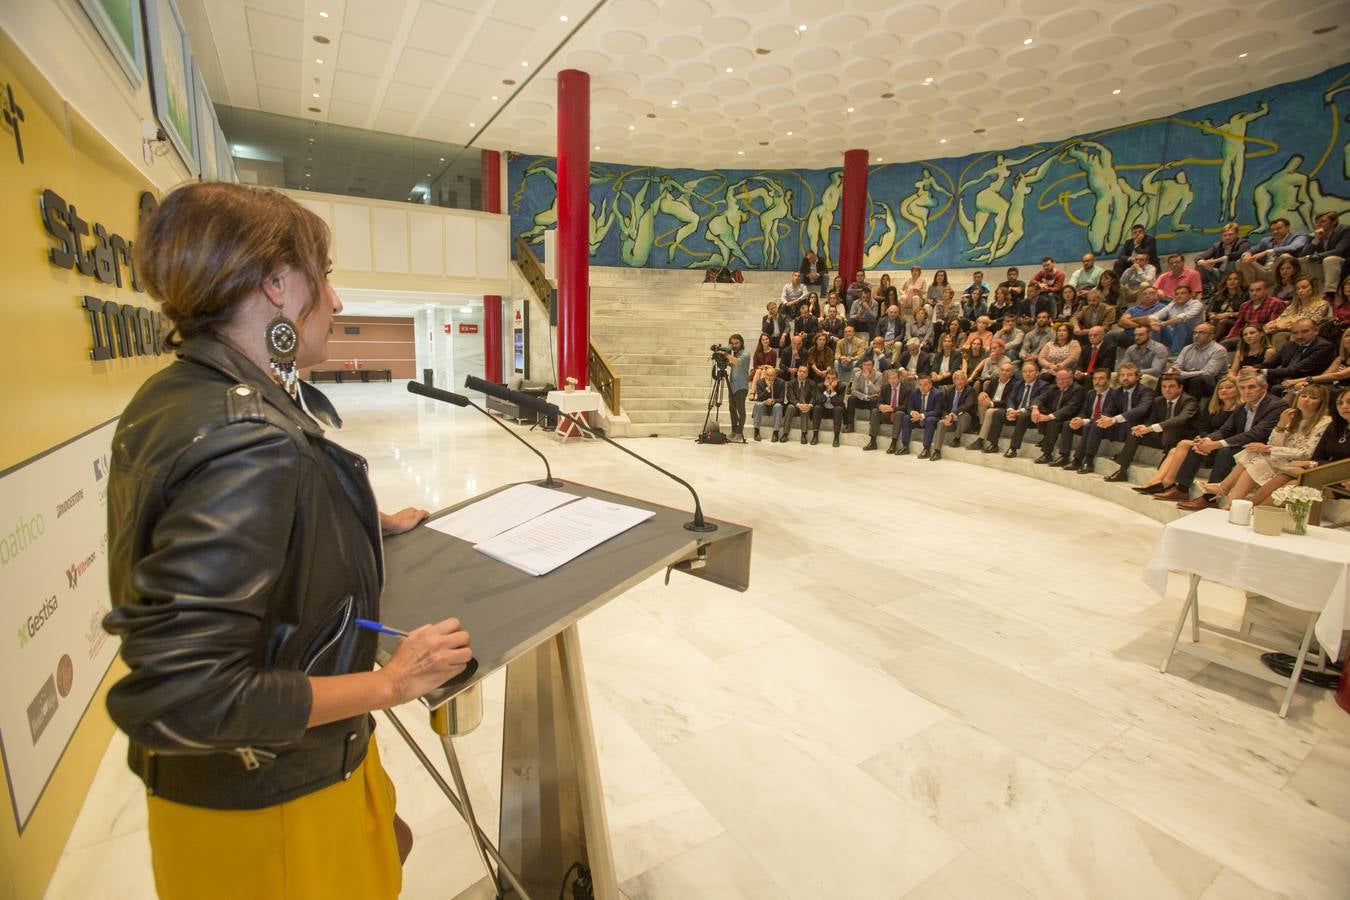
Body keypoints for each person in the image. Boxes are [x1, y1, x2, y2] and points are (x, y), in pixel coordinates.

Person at [102, 183, 473, 900]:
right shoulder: (247, 438)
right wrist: (391, 683)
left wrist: (355, 520)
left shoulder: (184, 391)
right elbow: (187, 695)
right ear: (276, 285)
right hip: (269, 812)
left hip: (260, 786)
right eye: (323, 275)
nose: (334, 301)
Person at [1151, 371, 1288, 505]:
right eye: (1243, 388)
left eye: (1251, 387)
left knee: (1225, 452)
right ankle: (1182, 490)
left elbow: (1256, 433)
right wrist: (1208, 440)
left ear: (1264, 388)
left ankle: (1209, 498)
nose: (1246, 391)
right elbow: (1226, 429)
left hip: (1260, 448)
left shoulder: (1276, 405)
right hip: (1239, 445)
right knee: (1196, 447)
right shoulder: (1242, 407)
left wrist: (1217, 444)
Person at [1196, 385, 1331, 509]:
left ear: (1321, 402)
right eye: (1303, 396)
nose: (1306, 400)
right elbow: (1276, 444)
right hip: (1284, 459)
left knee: (1256, 457)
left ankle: (1227, 494)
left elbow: (1306, 453)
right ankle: (1228, 501)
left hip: (1301, 464)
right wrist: (1281, 426)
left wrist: (1268, 449)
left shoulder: (1324, 422)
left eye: (1313, 398)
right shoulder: (1292, 417)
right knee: (1253, 452)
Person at [1132, 376, 1240, 493]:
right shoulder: (1214, 406)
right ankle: (1155, 481)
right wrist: (1204, 437)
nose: (1223, 390)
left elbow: (1230, 432)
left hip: (1222, 446)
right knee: (1174, 450)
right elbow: (1203, 426)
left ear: (1238, 389)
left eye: (1229, 387)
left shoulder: (1240, 409)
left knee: (1183, 443)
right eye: (1220, 388)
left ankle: (1168, 482)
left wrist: (1209, 441)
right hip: (1207, 441)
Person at [1249, 388, 1350, 506]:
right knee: (1285, 475)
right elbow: (1318, 456)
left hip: (1343, 481)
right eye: (1340, 403)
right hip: (1327, 474)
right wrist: (1310, 465)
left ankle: (1258, 513)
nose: (1344, 406)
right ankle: (1248, 508)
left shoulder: (1325, 422)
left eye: (1349, 402)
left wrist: (1311, 465)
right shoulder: (1335, 428)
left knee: (1294, 484)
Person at [1105, 372, 1199, 481]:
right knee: (1136, 433)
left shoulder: (1189, 401)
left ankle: (1162, 475)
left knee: (1172, 429)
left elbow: (1180, 419)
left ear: (1180, 388)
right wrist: (1143, 427)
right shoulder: (1158, 401)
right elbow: (1151, 421)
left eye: (1171, 386)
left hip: (1181, 438)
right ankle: (1122, 470)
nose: (1167, 390)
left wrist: (1150, 428)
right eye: (1164, 387)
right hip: (1162, 437)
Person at [1066, 363, 1154, 473]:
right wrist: (1105, 419)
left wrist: (1114, 419)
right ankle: (1085, 460)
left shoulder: (1145, 391)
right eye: (1122, 375)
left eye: (1129, 375)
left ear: (1137, 377)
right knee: (1094, 425)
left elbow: (1141, 409)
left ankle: (1120, 467)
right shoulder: (1117, 393)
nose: (1125, 378)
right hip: (1120, 428)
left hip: (1138, 426)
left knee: (1125, 424)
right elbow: (1109, 411)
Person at [986, 360, 1049, 457]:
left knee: (1022, 416)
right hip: (1015, 413)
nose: (1027, 374)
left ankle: (1013, 448)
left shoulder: (1043, 385)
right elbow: (1010, 399)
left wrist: (1018, 412)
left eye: (1031, 371)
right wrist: (1011, 410)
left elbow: (1038, 403)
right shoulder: (1018, 384)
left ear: (1037, 373)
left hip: (1030, 416)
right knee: (998, 413)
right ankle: (993, 444)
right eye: (1024, 371)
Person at [1028, 369, 1088, 466]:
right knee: (1039, 412)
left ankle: (1049, 454)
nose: (1060, 381)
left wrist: (1050, 417)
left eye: (1064, 379)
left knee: (1053, 422)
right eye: (1058, 379)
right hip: (1055, 415)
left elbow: (1071, 408)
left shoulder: (1078, 389)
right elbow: (1039, 398)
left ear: (1071, 378)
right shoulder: (1053, 388)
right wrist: (1035, 409)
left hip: (1069, 417)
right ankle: (1045, 438)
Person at [1261, 316, 1337, 390]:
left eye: (1305, 331)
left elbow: (1296, 370)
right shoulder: (1290, 345)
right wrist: (1252, 368)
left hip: (1309, 384)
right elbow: (1270, 364)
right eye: (1295, 333)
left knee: (1273, 387)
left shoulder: (1324, 346)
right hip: (1286, 381)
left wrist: (1261, 371)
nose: (1299, 336)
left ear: (1316, 331)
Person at [1237, 217, 1310, 286]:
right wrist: (1247, 254)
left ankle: (1281, 285)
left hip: (1280, 271)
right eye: (1272, 230)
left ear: (1287, 227)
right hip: (1264, 270)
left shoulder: (1299, 236)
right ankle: (1253, 288)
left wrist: (1268, 252)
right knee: (1240, 262)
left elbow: (1294, 247)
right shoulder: (1266, 241)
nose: (1275, 232)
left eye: (1279, 228)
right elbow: (1252, 250)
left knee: (1285, 256)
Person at [1263, 276, 1333, 346]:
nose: (1300, 291)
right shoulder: (1293, 306)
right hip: (1288, 331)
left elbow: (1310, 324)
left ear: (1313, 288)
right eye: (1298, 289)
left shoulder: (1321, 304)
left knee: (1280, 336)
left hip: (1307, 334)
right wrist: (1270, 326)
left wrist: (1281, 326)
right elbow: (1279, 320)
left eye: (1304, 287)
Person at [970, 359, 1019, 451]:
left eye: (1007, 370)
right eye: (1002, 370)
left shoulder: (1014, 384)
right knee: (981, 403)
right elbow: (987, 393)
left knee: (989, 411)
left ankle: (980, 440)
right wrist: (983, 394)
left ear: (1012, 373)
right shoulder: (994, 380)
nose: (1004, 372)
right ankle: (982, 427)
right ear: (999, 371)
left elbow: (1009, 401)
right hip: (991, 403)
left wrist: (992, 403)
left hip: (1003, 408)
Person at [1223, 278, 1285, 349]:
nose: (1254, 293)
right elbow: (1239, 324)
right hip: (1247, 334)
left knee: (1231, 343)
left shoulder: (1276, 303)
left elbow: (1273, 324)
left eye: (1258, 290)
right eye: (1251, 291)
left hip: (1264, 334)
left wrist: (1256, 333)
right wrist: (1230, 336)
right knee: (1224, 343)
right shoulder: (1244, 305)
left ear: (1266, 291)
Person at [1172, 322, 1229, 399]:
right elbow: (1177, 365)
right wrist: (1174, 372)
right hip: (1189, 378)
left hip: (1213, 382)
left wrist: (1182, 374)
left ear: (1211, 336)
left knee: (1197, 380)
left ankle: (1192, 409)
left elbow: (1209, 373)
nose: (1196, 336)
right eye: (1194, 333)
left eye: (1201, 333)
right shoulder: (1187, 348)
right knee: (1166, 378)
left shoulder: (1219, 350)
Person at [1281, 329, 1350, 392]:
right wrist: (1307, 383)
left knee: (1308, 390)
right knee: (1300, 387)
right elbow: (1327, 375)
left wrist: (1299, 380)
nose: (1349, 339)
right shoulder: (1341, 358)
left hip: (1346, 390)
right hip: (1336, 386)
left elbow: (1338, 375)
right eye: (1347, 336)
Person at [1196, 222, 1251, 294]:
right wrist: (1205, 263)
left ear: (1236, 234)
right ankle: (1207, 291)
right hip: (1220, 275)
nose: (1227, 237)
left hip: (1235, 276)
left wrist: (1215, 261)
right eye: (1224, 235)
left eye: (1230, 235)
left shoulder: (1244, 243)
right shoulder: (1218, 245)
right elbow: (1199, 257)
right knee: (1200, 265)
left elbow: (1238, 254)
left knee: (1231, 262)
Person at [932, 369, 976, 459]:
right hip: (951, 421)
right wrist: (946, 416)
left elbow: (967, 405)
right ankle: (937, 450)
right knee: (941, 423)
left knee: (963, 415)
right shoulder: (949, 391)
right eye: (957, 379)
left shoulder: (970, 391)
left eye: (962, 379)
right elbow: (944, 408)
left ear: (966, 381)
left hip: (965, 423)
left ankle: (957, 439)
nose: (960, 381)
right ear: (954, 381)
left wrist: (953, 414)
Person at [1303, 211, 1348, 296]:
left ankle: (1330, 294)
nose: (1318, 224)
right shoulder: (1314, 235)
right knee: (1304, 261)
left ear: (1334, 222)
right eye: (1317, 222)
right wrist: (1316, 240)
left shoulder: (1344, 229)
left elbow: (1339, 250)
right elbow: (1303, 255)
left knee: (1329, 260)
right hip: (1324, 261)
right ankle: (1314, 293)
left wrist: (1316, 256)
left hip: (1343, 260)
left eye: (1323, 221)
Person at [897, 373, 942, 457]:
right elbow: (909, 407)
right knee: (907, 418)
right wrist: (913, 412)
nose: (922, 387)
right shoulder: (915, 392)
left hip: (931, 418)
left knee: (929, 420)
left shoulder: (937, 394)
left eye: (925, 385)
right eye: (920, 385)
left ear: (930, 384)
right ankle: (905, 446)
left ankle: (926, 448)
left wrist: (922, 415)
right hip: (917, 418)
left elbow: (937, 411)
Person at [1152, 284, 1205, 354]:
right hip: (1173, 335)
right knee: (1154, 325)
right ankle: (1154, 351)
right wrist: (1153, 323)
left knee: (1181, 325)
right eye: (1177, 294)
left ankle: (1175, 354)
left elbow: (1181, 319)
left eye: (1183, 293)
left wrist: (1162, 324)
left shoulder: (1197, 304)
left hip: (1193, 336)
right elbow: (1155, 316)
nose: (1179, 296)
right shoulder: (1172, 304)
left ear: (1190, 295)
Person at [783, 363, 823, 444]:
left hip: (806, 406)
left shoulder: (812, 383)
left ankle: (804, 435)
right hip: (795, 406)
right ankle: (785, 434)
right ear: (797, 372)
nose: (802, 373)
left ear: (807, 374)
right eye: (800, 371)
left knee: (805, 409)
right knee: (790, 407)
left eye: (804, 372)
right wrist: (798, 404)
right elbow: (790, 397)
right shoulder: (791, 383)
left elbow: (813, 397)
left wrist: (810, 405)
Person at [870, 368, 907, 452]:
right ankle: (872, 441)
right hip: (887, 414)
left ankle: (893, 443)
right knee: (875, 411)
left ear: (899, 378)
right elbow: (878, 402)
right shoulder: (885, 388)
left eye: (894, 378)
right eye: (890, 378)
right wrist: (881, 406)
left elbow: (906, 406)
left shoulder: (906, 389)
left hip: (898, 415)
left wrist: (893, 408)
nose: (892, 381)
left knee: (899, 413)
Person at [1207, 270, 1248, 340]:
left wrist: (1228, 314)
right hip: (1218, 321)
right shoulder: (1219, 294)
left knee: (1223, 322)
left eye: (1236, 279)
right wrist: (1212, 315)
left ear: (1240, 281)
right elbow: (1210, 311)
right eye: (1229, 279)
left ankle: (1212, 343)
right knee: (1205, 326)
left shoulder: (1246, 295)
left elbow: (1246, 313)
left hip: (1236, 323)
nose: (1232, 281)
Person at [726, 332, 752, 439]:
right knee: (732, 409)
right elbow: (732, 364)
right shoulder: (734, 355)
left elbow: (737, 362)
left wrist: (726, 355)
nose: (734, 346)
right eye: (732, 344)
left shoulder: (745, 354)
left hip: (741, 387)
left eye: (736, 343)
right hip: (732, 386)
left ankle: (740, 432)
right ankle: (734, 430)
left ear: (741, 343)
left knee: (741, 410)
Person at [751, 364, 786, 441]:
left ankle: (776, 432)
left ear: (775, 376)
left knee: (778, 406)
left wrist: (773, 401)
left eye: (771, 375)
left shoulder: (781, 382)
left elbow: (781, 399)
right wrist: (767, 388)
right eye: (767, 375)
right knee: (758, 404)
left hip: (774, 407)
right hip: (764, 405)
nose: (769, 377)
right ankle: (756, 431)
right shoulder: (760, 382)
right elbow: (759, 398)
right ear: (765, 374)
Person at [847, 357, 883, 432]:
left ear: (873, 366)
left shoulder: (879, 375)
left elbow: (877, 391)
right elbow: (853, 390)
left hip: (872, 401)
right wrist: (865, 396)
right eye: (864, 365)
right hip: (862, 399)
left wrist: (868, 380)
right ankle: (850, 425)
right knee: (851, 399)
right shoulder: (857, 374)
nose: (866, 367)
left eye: (869, 365)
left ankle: (872, 426)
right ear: (862, 366)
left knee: (875, 400)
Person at [819, 370, 847, 447]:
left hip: (836, 412)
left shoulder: (842, 386)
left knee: (838, 408)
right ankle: (815, 435)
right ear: (825, 379)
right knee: (817, 407)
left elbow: (839, 403)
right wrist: (828, 390)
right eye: (828, 378)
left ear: (837, 379)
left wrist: (833, 390)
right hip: (824, 411)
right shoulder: (820, 386)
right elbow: (818, 401)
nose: (830, 381)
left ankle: (836, 437)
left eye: (833, 378)